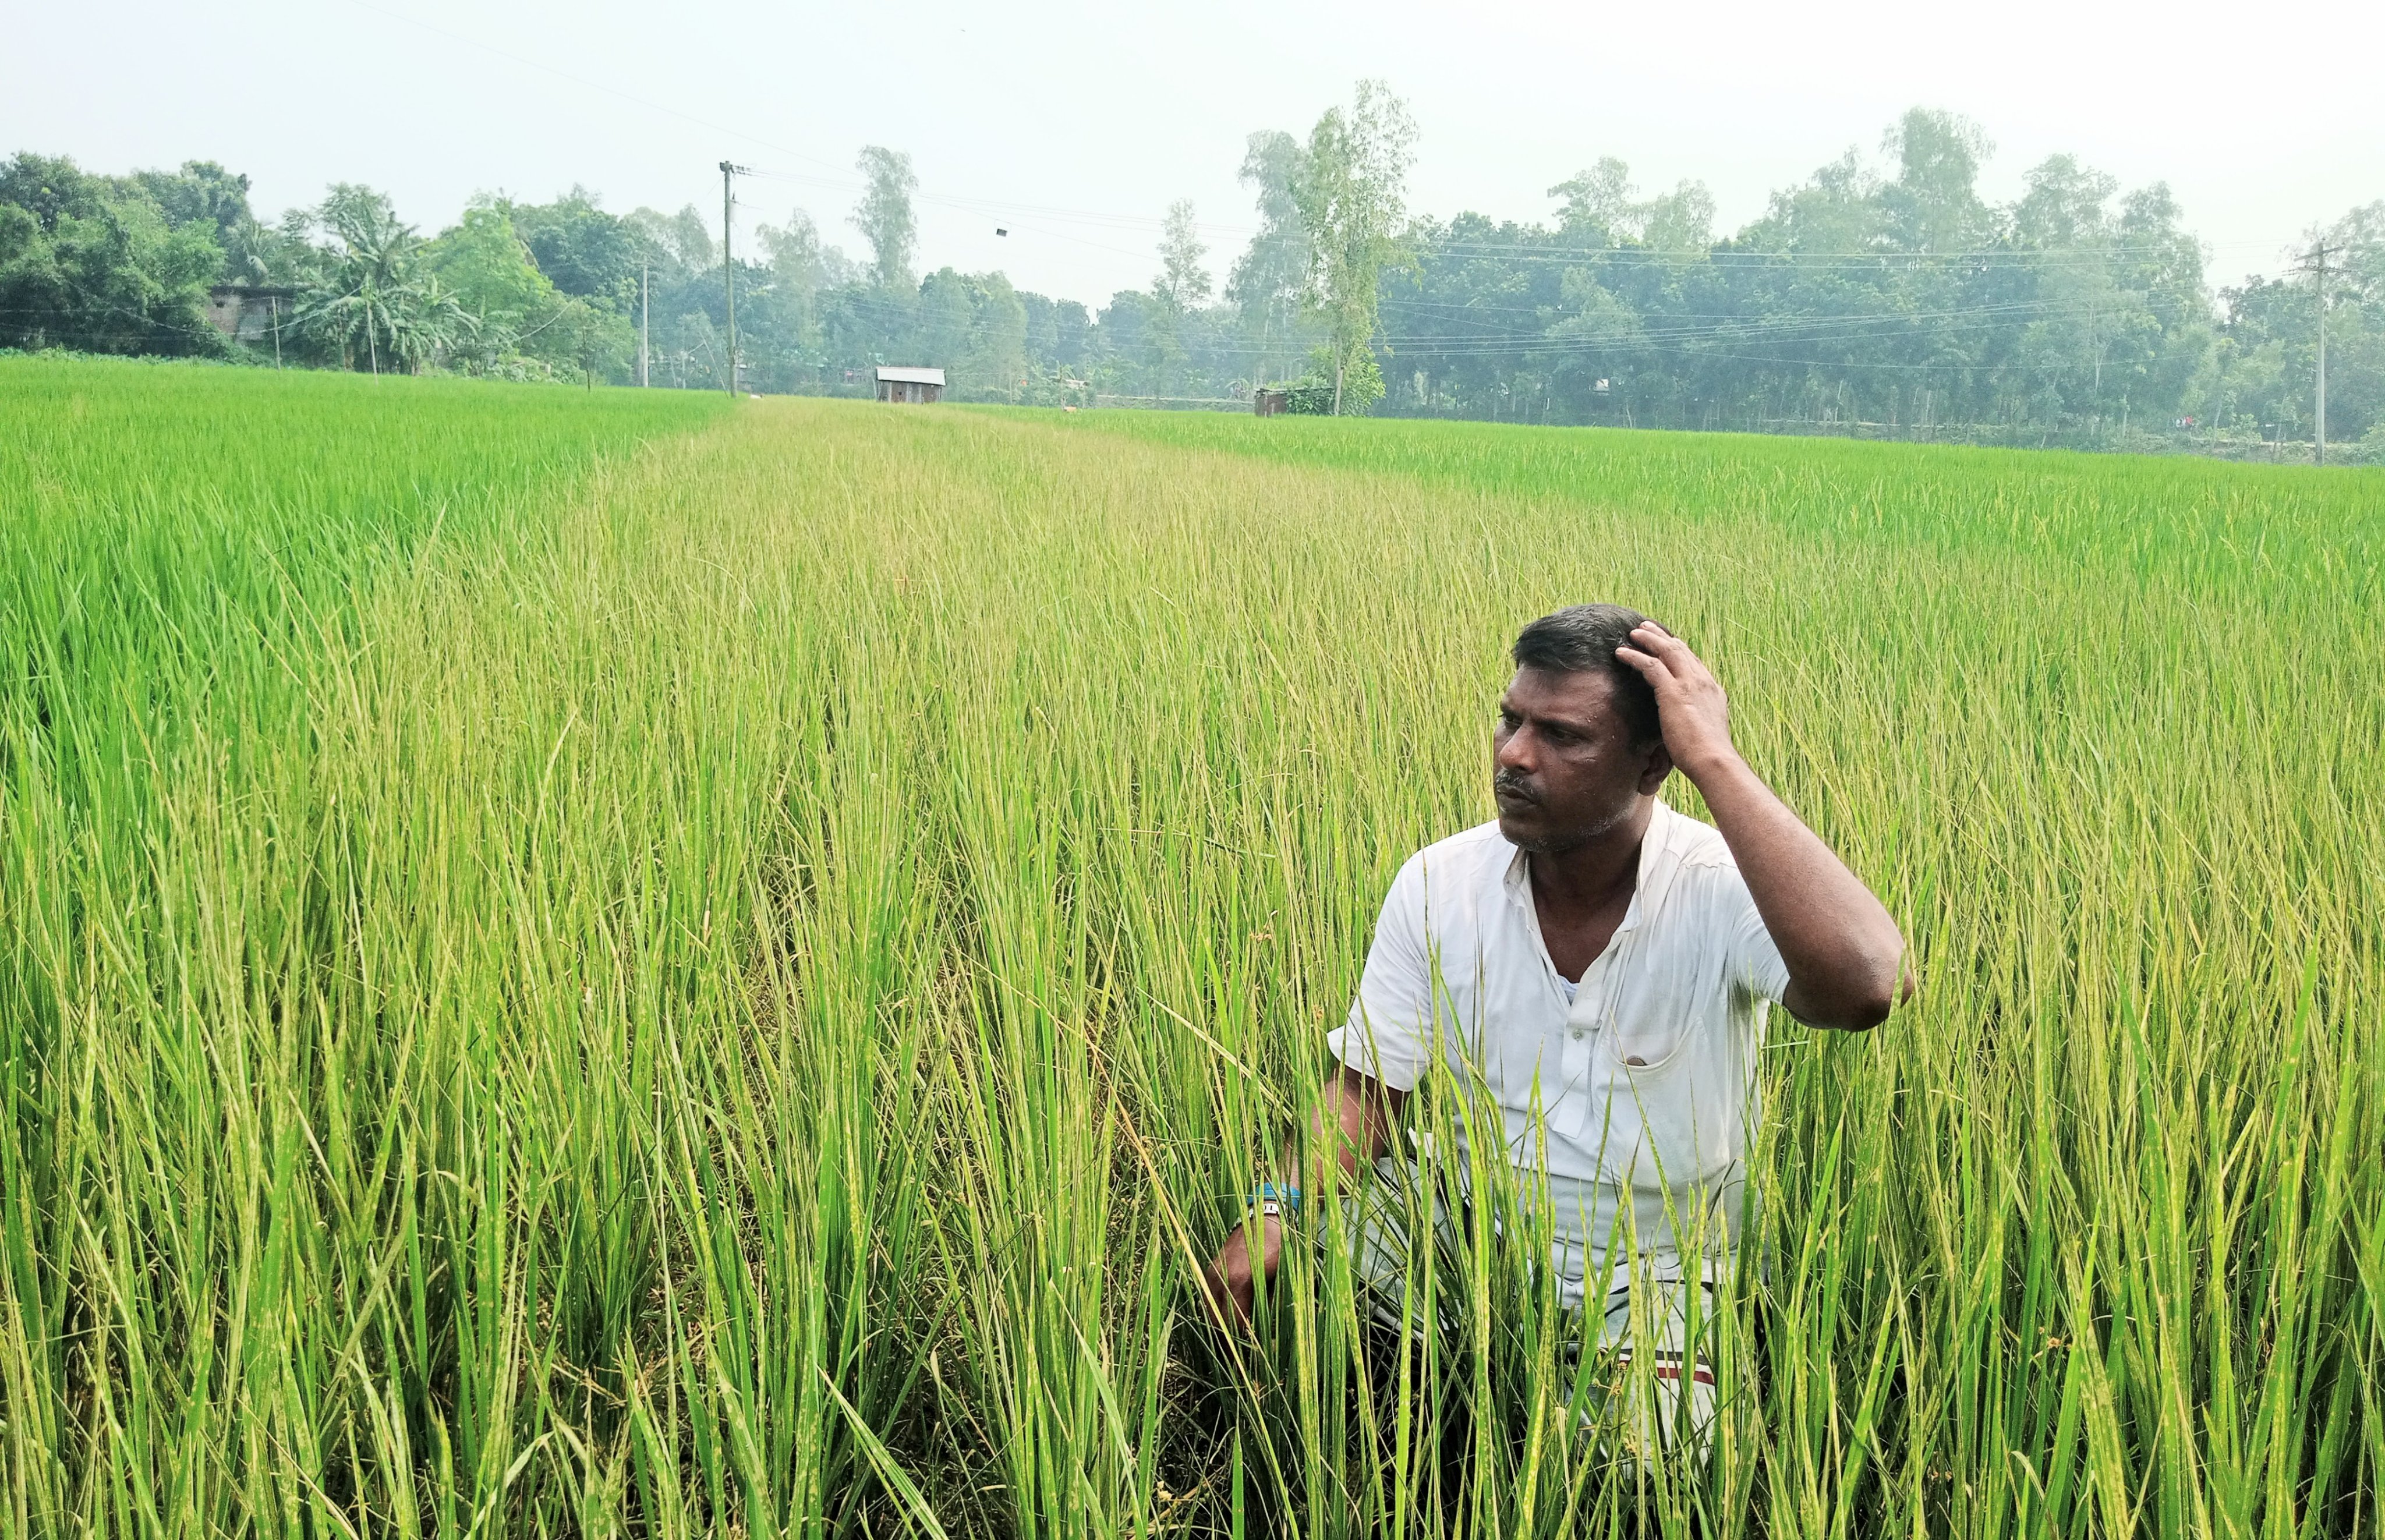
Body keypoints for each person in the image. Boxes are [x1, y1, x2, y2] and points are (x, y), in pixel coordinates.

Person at [1201, 603, 1912, 1450]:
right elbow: (1368, 1090)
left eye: (1563, 735)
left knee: (1641, 1464)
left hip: (1654, 1267)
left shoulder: (1723, 889)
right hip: (1469, 1222)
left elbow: (1869, 984)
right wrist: (1274, 1211)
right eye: (1510, 719)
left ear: (1654, 764)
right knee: (1303, 1306)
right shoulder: (1439, 881)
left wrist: (1716, 758)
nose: (1513, 754)